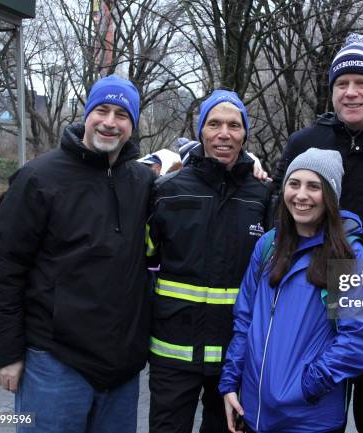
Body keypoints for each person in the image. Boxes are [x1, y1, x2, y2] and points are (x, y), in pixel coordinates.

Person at [0, 75, 154, 433]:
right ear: (86, 114)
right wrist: (6, 353)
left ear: (132, 125)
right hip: (54, 363)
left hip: (120, 372)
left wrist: (248, 167)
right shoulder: (38, 178)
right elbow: (3, 268)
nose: (110, 121)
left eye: (122, 114)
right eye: (102, 110)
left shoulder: (143, 183)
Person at [272, 33, 363, 432]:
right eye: (341, 84)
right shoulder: (306, 142)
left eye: (362, 83)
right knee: (311, 418)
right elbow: (276, 214)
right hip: (312, 307)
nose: (351, 93)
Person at [220, 147, 363, 433]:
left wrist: (304, 387)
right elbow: (244, 321)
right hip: (254, 413)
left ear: (330, 197)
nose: (301, 195)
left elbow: (356, 343)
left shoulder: (349, 256)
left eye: (314, 186)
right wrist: (230, 382)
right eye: (294, 183)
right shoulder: (268, 245)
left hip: (309, 419)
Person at [146, 89, 272, 433]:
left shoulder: (264, 196)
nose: (224, 133)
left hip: (236, 357)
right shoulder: (167, 190)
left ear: (245, 134)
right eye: (214, 123)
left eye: (234, 125)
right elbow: (141, 258)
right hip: (172, 354)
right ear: (201, 130)